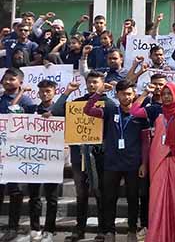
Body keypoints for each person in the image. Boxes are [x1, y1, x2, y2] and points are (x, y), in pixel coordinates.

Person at [129, 83, 175, 242]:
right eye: (163, 94)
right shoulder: (155, 110)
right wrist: (144, 93)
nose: (166, 97)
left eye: (169, 93)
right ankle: (157, 232)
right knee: (157, 197)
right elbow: (134, 111)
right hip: (158, 160)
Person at [83, 79, 144, 242]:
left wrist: (143, 162)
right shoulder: (110, 110)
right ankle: (110, 231)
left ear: (134, 95)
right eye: (123, 94)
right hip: (111, 163)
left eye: (129, 94)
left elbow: (146, 140)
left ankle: (132, 230)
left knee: (132, 198)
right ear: (117, 95)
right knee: (109, 198)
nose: (126, 97)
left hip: (132, 163)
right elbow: (87, 110)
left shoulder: (140, 113)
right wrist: (98, 93)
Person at [54, 71, 109, 242]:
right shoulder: (77, 103)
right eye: (90, 82)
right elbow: (56, 111)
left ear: (102, 83)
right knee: (81, 194)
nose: (92, 85)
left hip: (100, 157)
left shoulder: (108, 104)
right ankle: (80, 229)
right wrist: (67, 91)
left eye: (96, 82)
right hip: (79, 157)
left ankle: (103, 229)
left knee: (101, 193)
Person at [24, 80, 67, 242]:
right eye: (42, 91)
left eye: (48, 91)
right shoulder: (31, 110)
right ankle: (35, 228)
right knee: (34, 196)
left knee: (52, 198)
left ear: (54, 91)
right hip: (34, 159)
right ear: (38, 93)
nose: (45, 94)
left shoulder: (62, 110)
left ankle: (49, 229)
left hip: (53, 159)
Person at [0, 68, 35, 241]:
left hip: (17, 152)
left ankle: (13, 227)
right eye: (5, 79)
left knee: (15, 191)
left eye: (12, 79)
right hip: (0, 151)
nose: (7, 82)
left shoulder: (27, 102)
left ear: (20, 82)